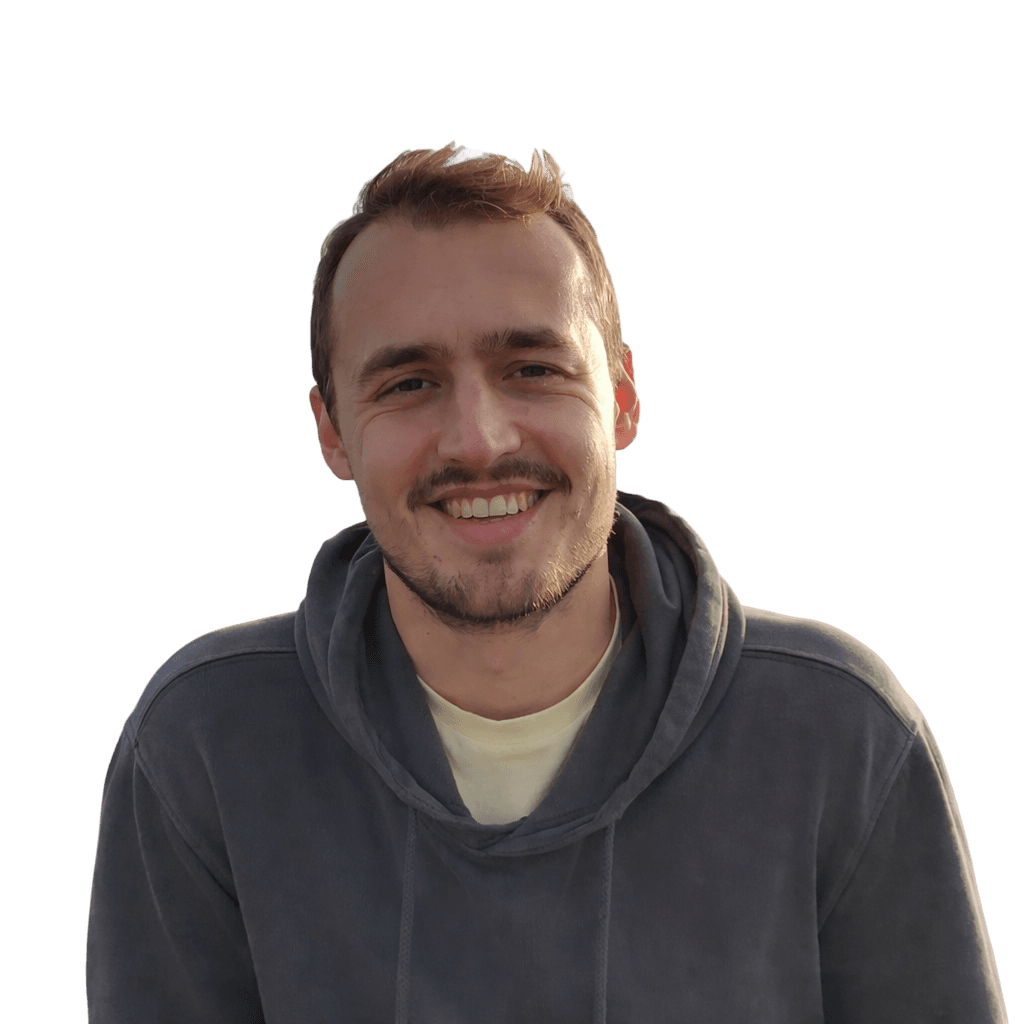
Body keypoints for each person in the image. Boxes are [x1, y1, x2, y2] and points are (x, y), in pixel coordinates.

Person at [86, 141, 1008, 1023]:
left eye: (532, 368)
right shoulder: (204, 747)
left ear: (622, 398)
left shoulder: (840, 736)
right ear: (332, 431)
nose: (479, 440)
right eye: (408, 384)